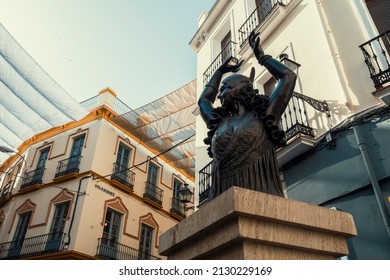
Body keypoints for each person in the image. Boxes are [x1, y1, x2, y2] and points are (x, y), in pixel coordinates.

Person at [198, 31, 296, 200]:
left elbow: (288, 76)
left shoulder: (264, 114)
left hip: (260, 191)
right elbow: (203, 101)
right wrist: (219, 72)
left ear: (238, 89)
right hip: (222, 197)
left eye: (224, 89)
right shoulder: (218, 121)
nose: (219, 96)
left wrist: (262, 57)